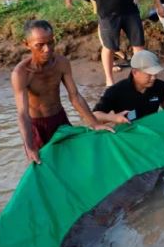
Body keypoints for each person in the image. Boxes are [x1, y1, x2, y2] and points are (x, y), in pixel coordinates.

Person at [11, 20, 113, 165]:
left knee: (75, 160)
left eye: (50, 43)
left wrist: (95, 124)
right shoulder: (21, 73)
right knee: (44, 166)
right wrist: (29, 146)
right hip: (37, 126)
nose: (47, 49)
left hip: (59, 120)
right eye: (40, 45)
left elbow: (75, 96)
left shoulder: (61, 63)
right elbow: (23, 114)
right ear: (26, 44)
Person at [93, 50, 164, 123]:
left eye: (155, 73)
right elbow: (95, 115)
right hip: (129, 131)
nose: (153, 78)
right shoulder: (116, 91)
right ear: (135, 72)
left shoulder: (159, 86)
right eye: (149, 74)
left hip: (152, 128)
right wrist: (113, 118)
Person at [89, 0, 146, 86]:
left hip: (130, 8)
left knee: (138, 44)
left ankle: (139, 78)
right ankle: (109, 80)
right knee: (108, 46)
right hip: (107, 11)